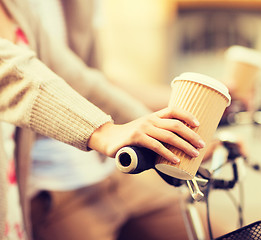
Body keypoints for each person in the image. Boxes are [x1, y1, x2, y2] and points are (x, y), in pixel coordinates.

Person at [0, 0, 207, 239]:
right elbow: (13, 73)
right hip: (50, 188)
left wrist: (168, 134)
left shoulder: (18, 7)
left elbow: (80, 80)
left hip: (99, 173)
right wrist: (102, 130)